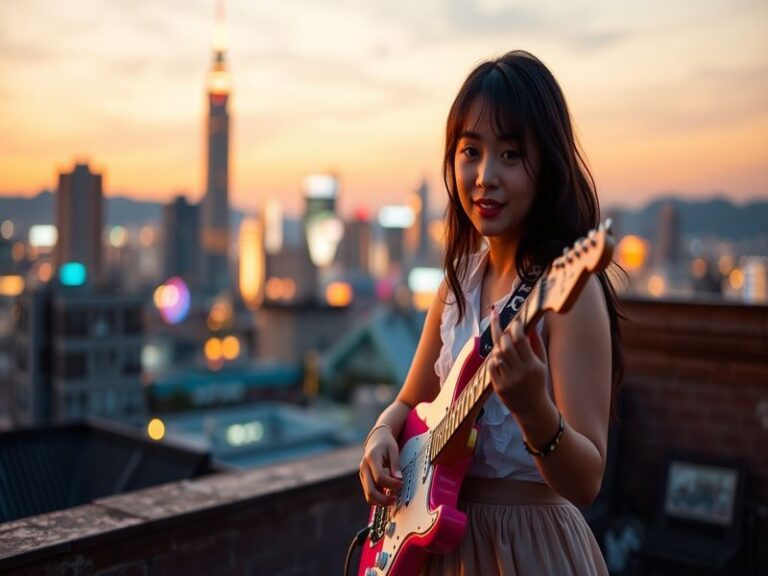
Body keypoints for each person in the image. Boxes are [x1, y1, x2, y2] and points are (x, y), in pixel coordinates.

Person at [358, 50, 624, 575]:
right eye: (471, 151)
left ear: (548, 165)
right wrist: (381, 434)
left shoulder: (570, 294)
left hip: (529, 551)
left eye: (510, 154)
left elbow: (587, 480)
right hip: (436, 550)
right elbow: (410, 402)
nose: (484, 176)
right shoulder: (455, 286)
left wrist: (534, 409)